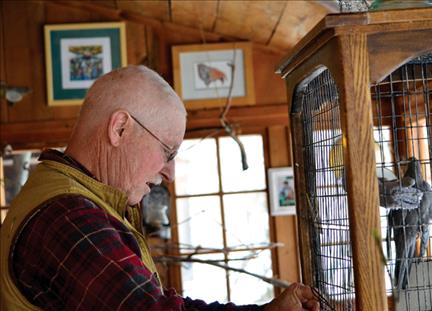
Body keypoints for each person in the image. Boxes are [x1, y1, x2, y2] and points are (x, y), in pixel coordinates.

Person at [0, 65, 319, 310]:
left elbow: (157, 302)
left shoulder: (75, 200)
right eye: (168, 152)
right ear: (120, 128)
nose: (170, 172)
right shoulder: (67, 217)